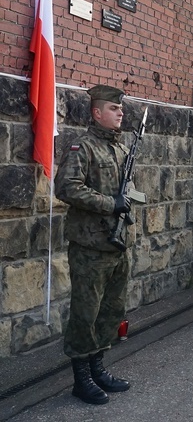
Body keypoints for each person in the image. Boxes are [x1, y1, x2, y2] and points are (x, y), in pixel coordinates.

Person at [55, 85, 136, 405]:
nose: (120, 113)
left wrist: (126, 209)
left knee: (111, 311)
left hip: (117, 244)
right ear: (97, 112)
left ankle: (98, 368)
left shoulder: (120, 150)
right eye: (114, 109)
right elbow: (66, 188)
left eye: (121, 109)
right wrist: (109, 204)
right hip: (90, 246)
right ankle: (81, 379)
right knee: (85, 314)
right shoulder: (82, 147)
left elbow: (128, 195)